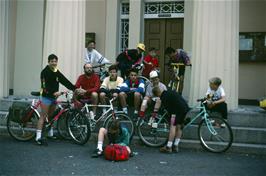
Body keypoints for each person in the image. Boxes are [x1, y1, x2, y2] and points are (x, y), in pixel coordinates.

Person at [36, 54, 76, 145]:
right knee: (43, 116)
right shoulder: (44, 72)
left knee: (51, 116)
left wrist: (75, 88)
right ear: (48, 62)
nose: (54, 63)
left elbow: (65, 81)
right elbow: (44, 87)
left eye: (55, 61)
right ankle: (38, 137)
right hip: (46, 97)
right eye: (52, 61)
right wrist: (52, 93)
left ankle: (50, 134)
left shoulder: (56, 71)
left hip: (53, 97)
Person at [152, 86, 190, 153]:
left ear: (157, 94)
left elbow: (168, 109)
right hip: (184, 108)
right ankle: (175, 146)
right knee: (180, 127)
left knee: (173, 126)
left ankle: (168, 147)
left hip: (175, 111)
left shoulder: (163, 97)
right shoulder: (169, 92)